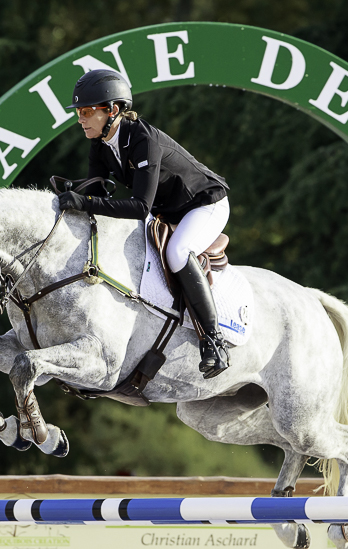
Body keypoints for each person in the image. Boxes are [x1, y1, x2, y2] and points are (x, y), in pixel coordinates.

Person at [58, 68, 231, 379]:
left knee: (178, 252)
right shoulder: (99, 144)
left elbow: (139, 207)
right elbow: (97, 194)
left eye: (86, 112)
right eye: (78, 113)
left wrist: (84, 201)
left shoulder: (143, 140)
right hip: (168, 211)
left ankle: (214, 342)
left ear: (112, 110)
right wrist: (74, 192)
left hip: (205, 204)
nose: (80, 119)